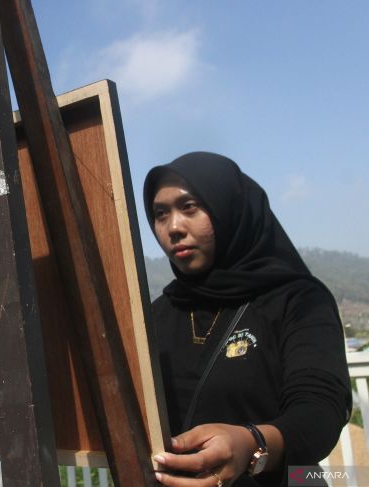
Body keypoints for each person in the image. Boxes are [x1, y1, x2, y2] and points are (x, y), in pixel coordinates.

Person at [142, 152, 351, 487]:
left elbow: (320, 410)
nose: (174, 227)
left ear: (230, 207)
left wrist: (253, 444)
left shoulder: (296, 300)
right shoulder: (156, 315)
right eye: (160, 214)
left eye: (190, 207)